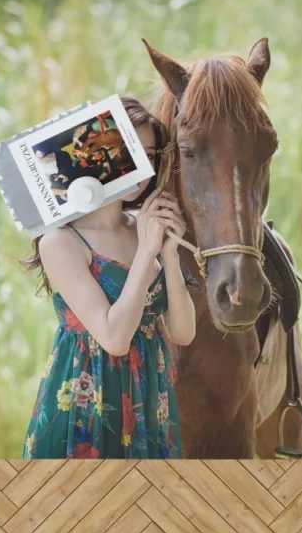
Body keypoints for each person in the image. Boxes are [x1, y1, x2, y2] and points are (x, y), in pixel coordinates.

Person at [21, 97, 196, 459]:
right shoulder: (63, 242)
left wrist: (168, 254)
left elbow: (182, 332)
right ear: (95, 157)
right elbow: (114, 338)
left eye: (149, 155)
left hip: (149, 395)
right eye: (129, 154)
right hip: (90, 397)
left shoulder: (144, 228)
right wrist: (147, 253)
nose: (142, 168)